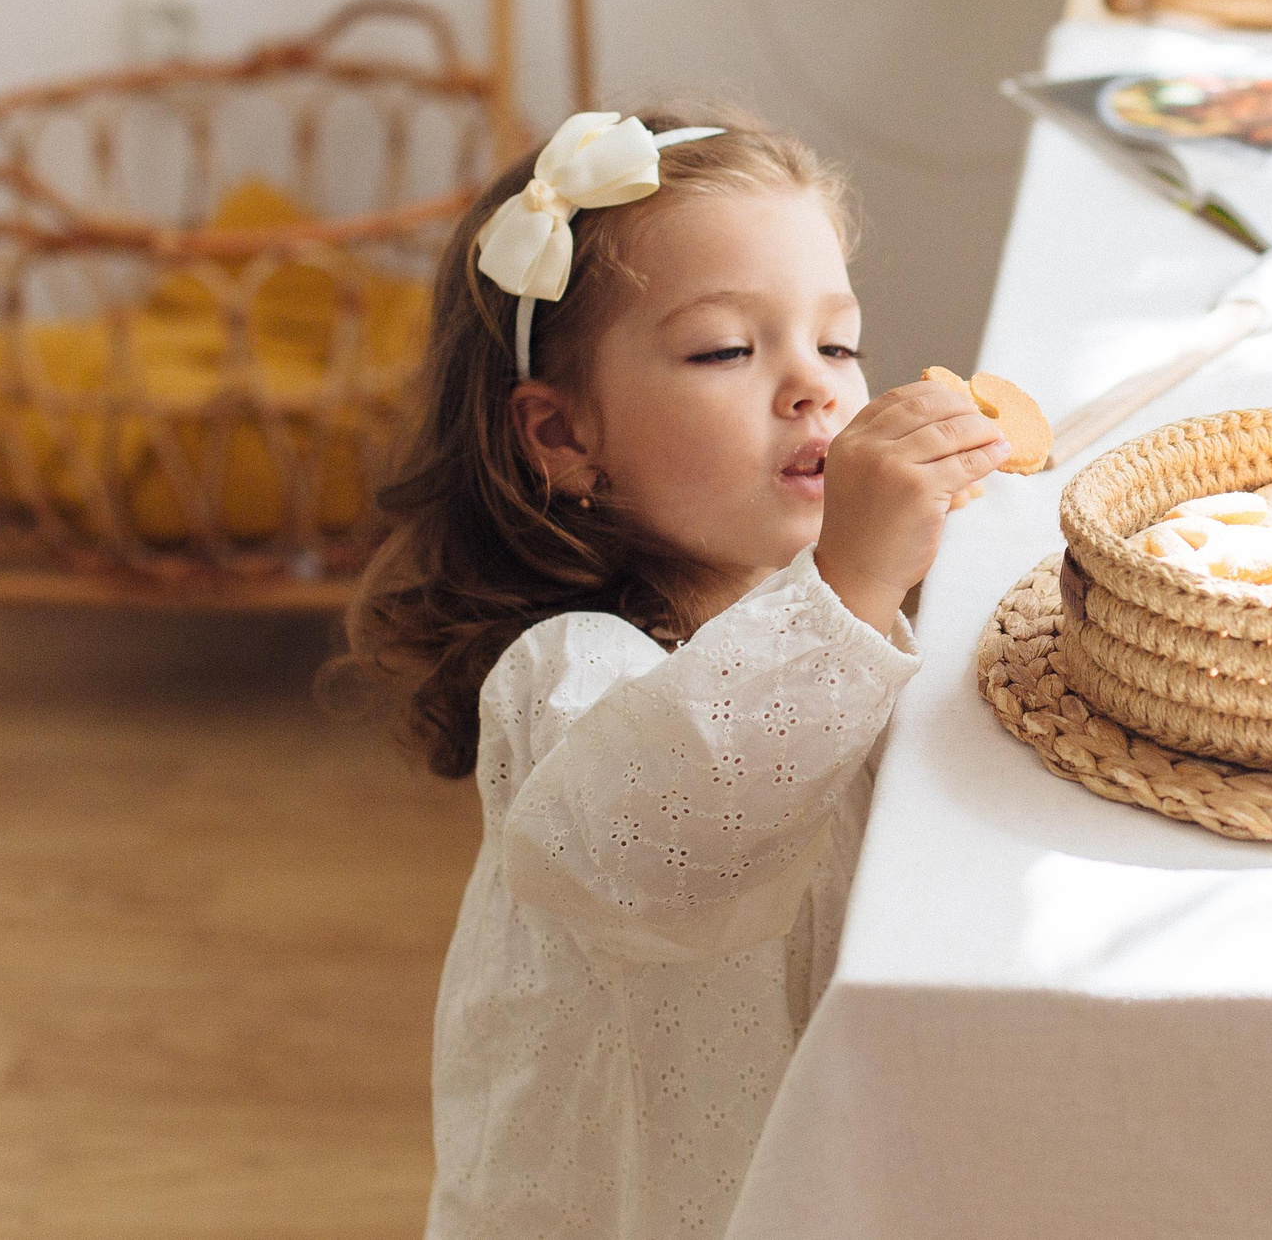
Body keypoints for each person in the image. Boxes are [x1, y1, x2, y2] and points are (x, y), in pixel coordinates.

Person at [336, 105, 1007, 1238]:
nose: (815, 390)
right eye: (726, 351)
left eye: (835, 342)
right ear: (563, 437)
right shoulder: (565, 671)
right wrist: (851, 578)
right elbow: (663, 850)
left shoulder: (833, 624)